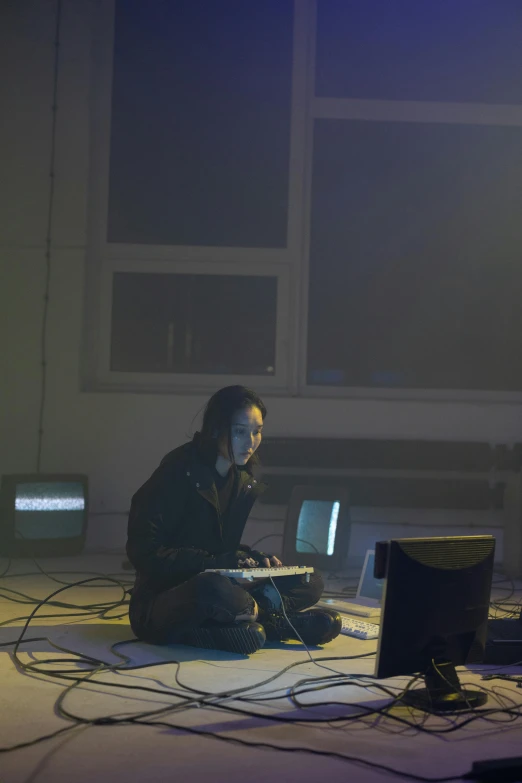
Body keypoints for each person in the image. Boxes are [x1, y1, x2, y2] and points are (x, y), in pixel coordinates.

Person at [126, 385, 342, 654]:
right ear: (216, 429)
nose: (250, 442)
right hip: (162, 602)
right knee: (212, 587)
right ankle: (271, 622)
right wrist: (219, 564)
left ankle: (252, 619)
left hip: (219, 586)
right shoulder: (177, 471)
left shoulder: (240, 479)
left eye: (257, 431)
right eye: (240, 431)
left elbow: (216, 549)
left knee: (310, 579)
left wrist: (251, 558)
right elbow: (144, 552)